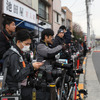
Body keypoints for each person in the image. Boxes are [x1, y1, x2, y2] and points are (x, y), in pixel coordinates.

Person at [3, 29, 43, 100]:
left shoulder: (20, 53)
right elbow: (17, 77)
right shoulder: (13, 55)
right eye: (26, 44)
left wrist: (33, 69)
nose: (28, 46)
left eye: (29, 44)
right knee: (43, 96)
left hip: (22, 86)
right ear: (18, 42)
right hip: (16, 89)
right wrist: (31, 67)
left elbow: (24, 69)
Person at [36, 28, 65, 100]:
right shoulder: (40, 46)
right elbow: (49, 53)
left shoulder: (47, 45)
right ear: (46, 37)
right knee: (46, 95)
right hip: (43, 74)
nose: (52, 38)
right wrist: (60, 46)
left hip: (49, 72)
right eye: (51, 36)